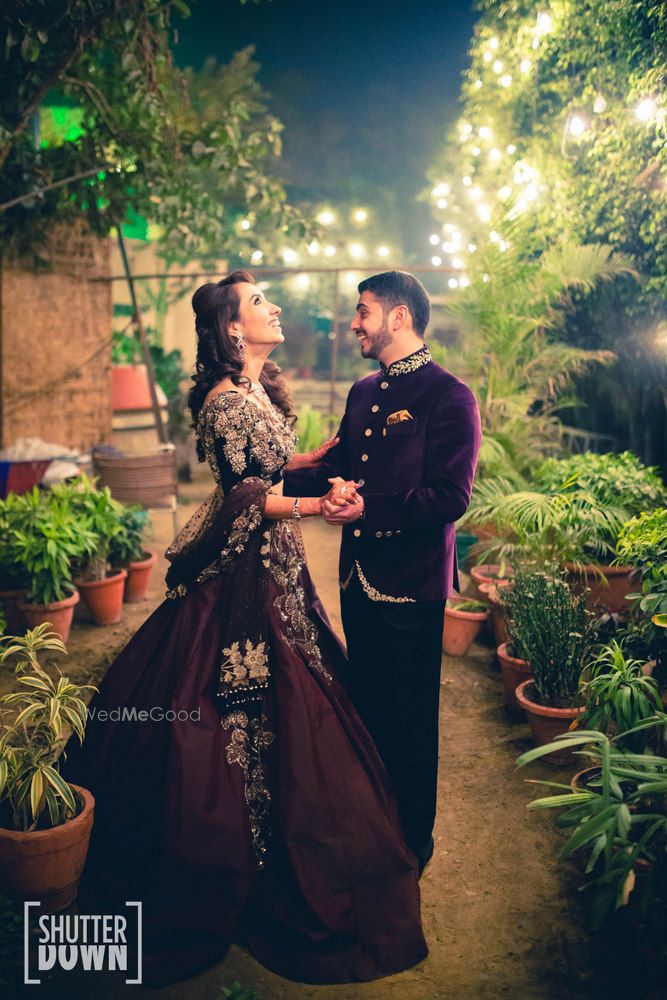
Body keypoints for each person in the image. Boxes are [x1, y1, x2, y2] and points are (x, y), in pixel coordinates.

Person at [61, 271, 427, 987]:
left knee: (304, 702)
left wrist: (316, 467)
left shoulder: (255, 391)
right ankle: (233, 866)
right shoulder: (226, 400)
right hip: (242, 582)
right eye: (259, 301)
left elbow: (272, 466)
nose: (274, 306)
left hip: (279, 573)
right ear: (233, 328)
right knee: (227, 717)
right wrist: (318, 507)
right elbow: (247, 496)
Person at [284, 270, 482, 876]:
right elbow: (339, 464)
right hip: (358, 579)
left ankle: (410, 848)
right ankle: (371, 828)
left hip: (412, 582)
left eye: (363, 311)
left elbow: (451, 496)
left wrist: (369, 507)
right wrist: (261, 480)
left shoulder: (450, 397)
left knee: (411, 721)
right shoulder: (363, 391)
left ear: (398, 318)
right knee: (367, 708)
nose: (353, 323)